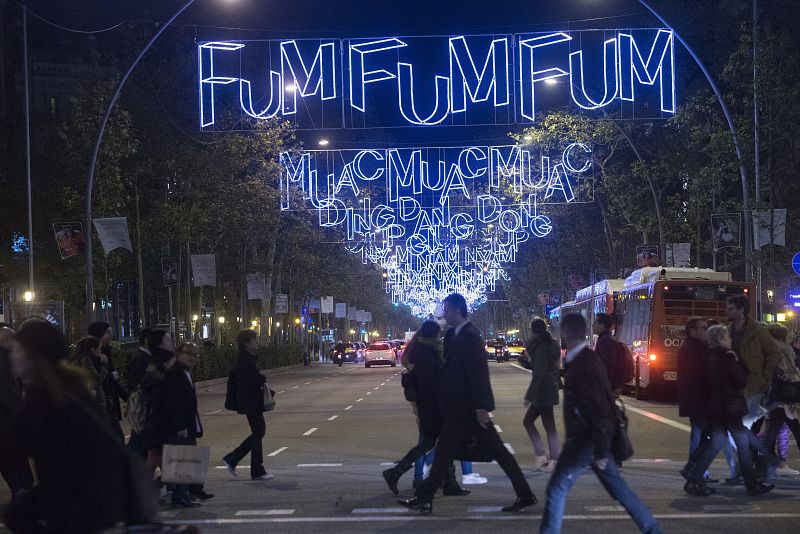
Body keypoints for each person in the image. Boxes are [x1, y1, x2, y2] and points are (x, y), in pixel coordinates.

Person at [398, 294, 536, 514]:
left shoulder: (470, 336)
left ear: (456, 310)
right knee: (445, 453)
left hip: (470, 409)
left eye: (447, 310)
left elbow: (478, 373)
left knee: (497, 453)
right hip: (458, 408)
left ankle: (526, 494)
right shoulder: (455, 334)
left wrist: (482, 407)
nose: (444, 315)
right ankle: (425, 498)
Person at [3, 320, 133, 533]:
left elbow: (16, 444)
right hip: (92, 490)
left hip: (79, 495)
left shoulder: (47, 395)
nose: (13, 356)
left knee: (18, 513)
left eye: (18, 350)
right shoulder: (69, 385)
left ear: (33, 354)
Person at [540, 313, 661, 534]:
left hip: (586, 440)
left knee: (556, 489)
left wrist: (602, 450)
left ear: (564, 334)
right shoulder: (585, 357)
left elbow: (597, 410)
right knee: (619, 489)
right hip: (593, 439)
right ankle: (652, 528)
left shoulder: (582, 363)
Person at [685, 325, 774, 496]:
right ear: (720, 339)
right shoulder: (727, 357)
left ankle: (693, 480)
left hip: (715, 408)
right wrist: (738, 360)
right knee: (742, 444)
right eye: (727, 338)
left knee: (716, 443)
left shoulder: (709, 356)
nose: (730, 340)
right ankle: (752, 485)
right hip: (730, 408)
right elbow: (741, 380)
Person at [384, 321, 469, 495]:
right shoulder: (428, 352)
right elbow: (432, 380)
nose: (441, 338)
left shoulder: (421, 350)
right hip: (433, 405)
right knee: (436, 443)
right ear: (434, 335)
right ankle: (401, 474)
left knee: (435, 443)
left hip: (428, 404)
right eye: (439, 334)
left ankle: (445, 482)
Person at [161, 342, 212, 506]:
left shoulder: (185, 372)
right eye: (188, 353)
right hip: (180, 426)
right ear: (178, 353)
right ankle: (179, 496)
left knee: (186, 460)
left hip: (188, 424)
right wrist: (180, 426)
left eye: (195, 354)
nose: (192, 357)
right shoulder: (174, 373)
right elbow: (173, 402)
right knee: (181, 461)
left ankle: (186, 494)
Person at [223, 329, 273, 480]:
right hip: (250, 401)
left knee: (258, 432)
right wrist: (262, 378)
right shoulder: (245, 359)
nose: (257, 342)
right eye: (255, 340)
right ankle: (249, 466)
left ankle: (237, 460)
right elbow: (251, 379)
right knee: (259, 432)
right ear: (247, 343)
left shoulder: (246, 358)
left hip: (250, 401)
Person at [725, 295, 780, 432]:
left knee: (744, 428)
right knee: (737, 428)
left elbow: (774, 353)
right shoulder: (728, 331)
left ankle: (750, 452)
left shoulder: (757, 331)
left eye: (731, 308)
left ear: (741, 310)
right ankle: (748, 452)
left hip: (753, 385)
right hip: (733, 386)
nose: (727, 311)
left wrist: (765, 378)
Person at [759, 324, 800, 478]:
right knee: (793, 429)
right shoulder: (785, 349)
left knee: (772, 432)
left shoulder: (769, 350)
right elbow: (790, 371)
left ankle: (761, 466)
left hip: (775, 397)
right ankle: (767, 464)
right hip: (788, 396)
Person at [0, 325, 34, 499]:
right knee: (19, 470)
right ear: (6, 340)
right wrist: (21, 417)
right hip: (7, 424)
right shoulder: (4, 360)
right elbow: (9, 392)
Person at [523, 317, 561, 471]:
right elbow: (554, 365)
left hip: (542, 391)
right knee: (544, 424)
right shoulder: (551, 344)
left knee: (540, 424)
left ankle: (548, 458)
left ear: (533, 330)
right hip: (548, 388)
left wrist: (529, 395)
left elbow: (538, 374)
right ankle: (545, 457)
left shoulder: (539, 348)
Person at [140, 329, 176, 477]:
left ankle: (173, 489)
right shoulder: (159, 366)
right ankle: (144, 491)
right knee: (155, 456)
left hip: (159, 419)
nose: (171, 343)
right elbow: (157, 394)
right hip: (159, 420)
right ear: (160, 344)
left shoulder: (161, 364)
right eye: (168, 340)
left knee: (159, 456)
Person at [88, 321, 128, 443]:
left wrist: (127, 396)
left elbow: (113, 381)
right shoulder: (91, 356)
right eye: (107, 332)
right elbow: (94, 379)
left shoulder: (107, 352)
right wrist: (110, 375)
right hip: (101, 405)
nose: (111, 335)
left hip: (108, 403)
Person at [127, 327, 153, 457]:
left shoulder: (148, 357)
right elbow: (135, 385)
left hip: (146, 410)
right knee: (139, 445)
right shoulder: (139, 359)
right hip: (143, 409)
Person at [68, 336, 108, 416]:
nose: (100, 352)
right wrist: (104, 365)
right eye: (99, 349)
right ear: (93, 349)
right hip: (93, 402)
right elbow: (96, 380)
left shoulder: (77, 359)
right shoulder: (86, 360)